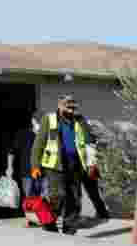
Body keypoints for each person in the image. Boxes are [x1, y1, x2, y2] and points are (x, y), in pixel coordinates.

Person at [30, 95, 103, 234]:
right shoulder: (49, 119)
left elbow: (89, 142)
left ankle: (70, 228)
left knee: (74, 198)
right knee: (58, 195)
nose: (71, 110)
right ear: (60, 106)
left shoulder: (80, 120)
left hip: (75, 164)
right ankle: (48, 223)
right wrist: (35, 166)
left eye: (73, 107)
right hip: (54, 165)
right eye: (68, 107)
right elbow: (38, 144)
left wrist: (92, 164)